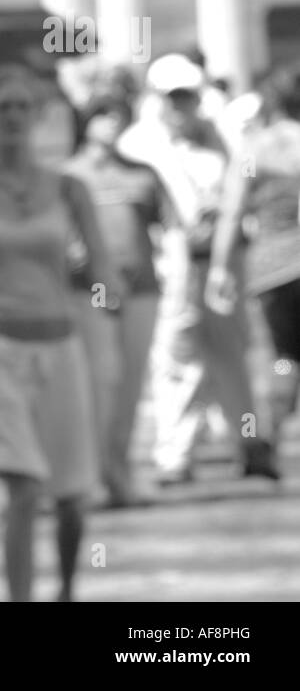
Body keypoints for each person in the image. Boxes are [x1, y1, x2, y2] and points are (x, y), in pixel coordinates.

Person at [0, 64, 122, 602]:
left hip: (60, 345)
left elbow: (102, 271)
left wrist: (103, 287)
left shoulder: (70, 189)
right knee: (22, 483)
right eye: (1, 108)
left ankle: (65, 589)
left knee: (72, 495)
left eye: (21, 106)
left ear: (36, 117)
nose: (12, 116)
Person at [133, 54, 277, 484]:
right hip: (174, 260)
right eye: (173, 98)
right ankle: (174, 455)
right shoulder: (143, 144)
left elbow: (244, 185)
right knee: (176, 359)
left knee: (233, 355)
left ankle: (250, 442)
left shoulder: (223, 137)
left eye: (187, 97)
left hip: (224, 258)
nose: (181, 107)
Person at [64, 93, 172, 508]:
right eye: (102, 115)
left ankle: (119, 470)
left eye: (118, 115)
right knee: (98, 381)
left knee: (130, 385)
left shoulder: (142, 175)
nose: (111, 122)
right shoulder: (68, 175)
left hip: (140, 288)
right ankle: (90, 474)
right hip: (90, 290)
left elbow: (165, 227)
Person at [205, 62, 300, 478]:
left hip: (273, 269)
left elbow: (232, 211)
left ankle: (270, 439)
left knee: (284, 357)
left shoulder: (252, 151)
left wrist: (219, 267)